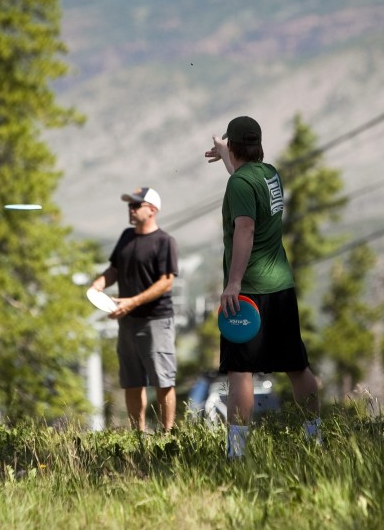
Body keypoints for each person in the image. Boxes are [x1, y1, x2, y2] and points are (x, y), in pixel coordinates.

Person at [205, 115, 321, 458]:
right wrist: (227, 156)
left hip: (250, 290)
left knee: (240, 369)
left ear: (235, 145)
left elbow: (245, 228)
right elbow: (243, 178)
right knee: (297, 366)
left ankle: (237, 453)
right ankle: (314, 440)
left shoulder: (239, 184)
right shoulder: (269, 174)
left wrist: (234, 283)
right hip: (280, 286)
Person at [90, 187, 179, 432]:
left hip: (156, 321)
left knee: (163, 380)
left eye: (136, 205)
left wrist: (132, 301)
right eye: (130, 206)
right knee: (132, 381)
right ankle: (137, 435)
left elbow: (166, 281)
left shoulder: (164, 241)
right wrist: (99, 284)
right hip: (127, 321)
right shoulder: (126, 237)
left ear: (152, 210)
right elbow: (114, 270)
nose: (131, 210)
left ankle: (167, 436)